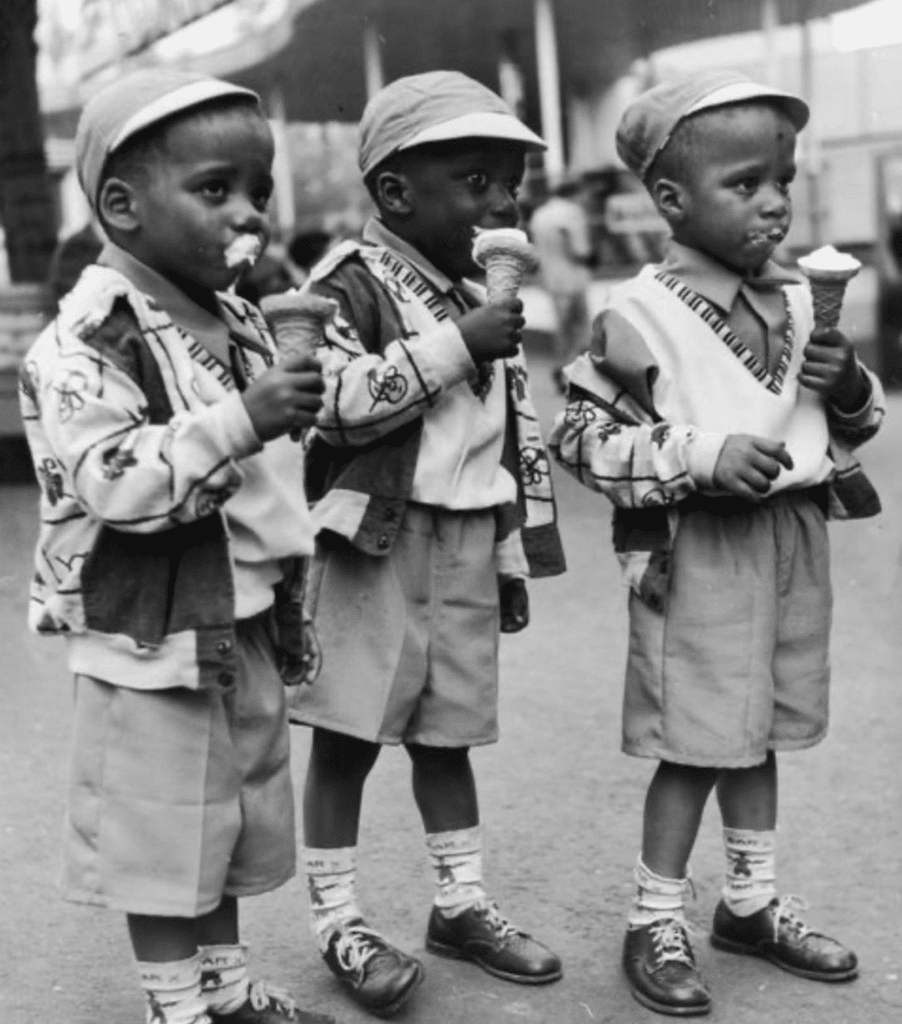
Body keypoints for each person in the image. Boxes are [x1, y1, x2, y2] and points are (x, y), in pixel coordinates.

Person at [549, 69, 884, 1017]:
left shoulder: (798, 299)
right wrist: (697, 453)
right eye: (746, 183)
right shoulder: (639, 309)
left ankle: (749, 900)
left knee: (760, 729)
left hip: (790, 537)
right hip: (700, 544)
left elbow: (853, 427)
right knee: (696, 742)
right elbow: (581, 439)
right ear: (671, 199)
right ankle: (653, 913)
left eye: (783, 178)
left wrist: (849, 378)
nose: (775, 201)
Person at [18, 68, 332, 1024]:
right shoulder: (86, 341)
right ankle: (175, 1007)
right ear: (122, 205)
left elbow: (274, 477)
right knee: (162, 842)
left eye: (258, 192)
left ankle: (227, 992)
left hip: (238, 624)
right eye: (214, 189)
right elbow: (114, 479)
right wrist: (243, 417)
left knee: (229, 822)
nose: (248, 215)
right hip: (149, 637)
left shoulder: (239, 318)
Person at [291, 70, 567, 1017]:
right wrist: (459, 344)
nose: (502, 202)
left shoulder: (479, 295)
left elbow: (498, 441)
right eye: (477, 181)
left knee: (447, 736)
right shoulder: (347, 284)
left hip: (461, 541)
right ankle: (337, 917)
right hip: (373, 542)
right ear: (396, 194)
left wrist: (508, 552)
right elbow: (331, 405)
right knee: (347, 737)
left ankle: (460, 903)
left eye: (508, 182)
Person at [528, 177, 595, 392]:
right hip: (573, 276)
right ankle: (572, 372)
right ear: (574, 192)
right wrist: (587, 257)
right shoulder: (571, 212)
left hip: (551, 278)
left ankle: (562, 367)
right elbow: (571, 241)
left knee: (563, 328)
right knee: (579, 328)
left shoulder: (540, 214)